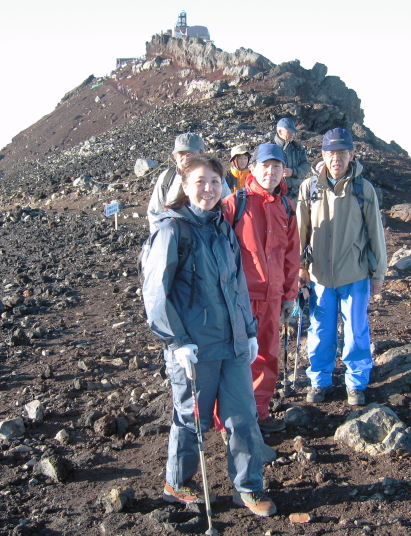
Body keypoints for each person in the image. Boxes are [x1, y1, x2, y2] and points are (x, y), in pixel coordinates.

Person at [142, 154, 277, 517]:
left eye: (215, 182)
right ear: (185, 187)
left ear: (224, 186)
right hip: (194, 347)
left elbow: (236, 286)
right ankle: (178, 482)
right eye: (200, 181)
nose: (208, 188)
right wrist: (177, 341)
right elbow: (156, 294)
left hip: (232, 343)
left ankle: (248, 487)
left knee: (242, 416)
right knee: (192, 418)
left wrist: (249, 332)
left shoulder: (221, 228)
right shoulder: (172, 231)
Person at [297, 127, 387, 406]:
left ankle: (356, 383)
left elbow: (376, 234)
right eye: (331, 152)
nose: (336, 157)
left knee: (356, 329)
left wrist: (378, 273)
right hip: (320, 274)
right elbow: (301, 231)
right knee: (320, 329)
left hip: (356, 273)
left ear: (351, 154)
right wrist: (300, 268)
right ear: (323, 154)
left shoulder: (363, 189)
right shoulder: (309, 187)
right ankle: (319, 380)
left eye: (342, 152)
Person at [221, 143, 300, 433]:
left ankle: (259, 416)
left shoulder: (287, 207)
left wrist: (289, 295)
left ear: (283, 171)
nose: (271, 171)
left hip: (273, 298)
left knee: (267, 355)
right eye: (265, 165)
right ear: (252, 168)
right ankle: (231, 421)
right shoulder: (234, 203)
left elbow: (292, 255)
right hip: (241, 299)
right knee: (235, 359)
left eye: (276, 166)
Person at [146, 132, 231, 232]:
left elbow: (228, 210)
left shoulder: (216, 180)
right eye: (181, 153)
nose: (186, 158)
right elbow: (154, 213)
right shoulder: (166, 178)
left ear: (202, 154)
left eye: (190, 153)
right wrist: (163, 237)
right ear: (174, 156)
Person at [273, 118, 310, 201]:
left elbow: (306, 165)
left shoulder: (298, 147)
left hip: (297, 194)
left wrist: (293, 172)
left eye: (293, 131)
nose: (292, 134)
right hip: (277, 195)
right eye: (289, 131)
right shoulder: (270, 148)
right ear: (280, 131)